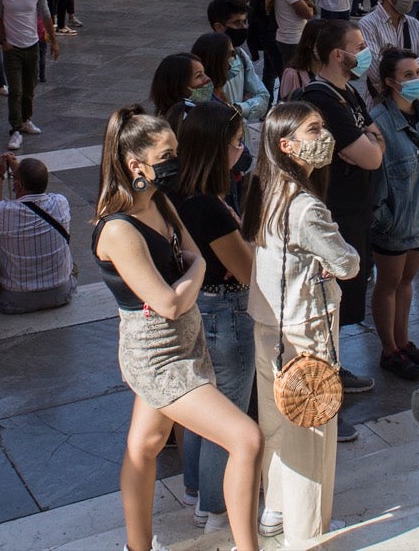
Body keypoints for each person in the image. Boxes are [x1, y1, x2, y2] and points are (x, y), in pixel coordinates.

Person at [92, 107, 263, 551]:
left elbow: (192, 268)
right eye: (167, 154)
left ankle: (138, 547)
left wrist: (191, 277)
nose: (177, 162)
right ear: (136, 165)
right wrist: (195, 273)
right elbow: (167, 301)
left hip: (188, 339)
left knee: (145, 445)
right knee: (246, 438)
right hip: (157, 354)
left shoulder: (162, 203)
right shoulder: (117, 229)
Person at [244, 101, 361, 543]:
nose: (324, 137)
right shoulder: (306, 207)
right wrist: (335, 262)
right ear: (286, 145)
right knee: (311, 430)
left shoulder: (263, 188)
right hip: (306, 326)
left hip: (269, 321)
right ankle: (308, 531)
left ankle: (274, 506)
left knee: (275, 422)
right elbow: (347, 263)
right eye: (314, 131)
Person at [168, 102, 256, 533]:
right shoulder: (210, 208)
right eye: (238, 142)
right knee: (229, 415)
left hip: (195, 309)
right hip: (226, 312)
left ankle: (195, 490)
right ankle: (218, 506)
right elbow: (248, 272)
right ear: (218, 148)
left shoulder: (175, 193)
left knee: (200, 407)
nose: (242, 150)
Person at [296, 21, 385, 421]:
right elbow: (371, 154)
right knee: (324, 304)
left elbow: (373, 139)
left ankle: (332, 370)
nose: (365, 53)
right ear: (338, 54)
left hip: (356, 210)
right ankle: (319, 391)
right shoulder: (321, 98)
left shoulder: (347, 92)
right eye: (360, 46)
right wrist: (366, 145)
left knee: (344, 300)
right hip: (333, 213)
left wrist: (368, 142)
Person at [367, 48, 419, 381]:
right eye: (408, 75)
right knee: (388, 285)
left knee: (407, 283)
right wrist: (384, 219)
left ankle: (404, 342)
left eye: (417, 73)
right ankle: (389, 349)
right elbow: (373, 179)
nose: (416, 80)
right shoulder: (379, 123)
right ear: (390, 82)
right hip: (394, 224)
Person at [0, 153, 76, 312]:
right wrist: (18, 170)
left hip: (15, 299)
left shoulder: (5, 212)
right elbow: (35, 181)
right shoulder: (61, 202)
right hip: (60, 293)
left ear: (17, 186)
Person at [0, 0, 61, 151]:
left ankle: (26, 119)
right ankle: (15, 129)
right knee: (15, 90)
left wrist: (53, 41)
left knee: (29, 88)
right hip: (12, 49)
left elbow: (46, 16)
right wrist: (3, 40)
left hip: (32, 45)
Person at [206, 0, 270, 129]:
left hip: (239, 132)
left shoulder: (240, 55)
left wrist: (240, 108)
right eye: (237, 23)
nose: (243, 28)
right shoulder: (201, 63)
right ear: (218, 27)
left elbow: (263, 97)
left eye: (244, 22)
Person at [149, 52, 211, 117]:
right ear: (179, 85)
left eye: (204, 73)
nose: (207, 78)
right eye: (198, 76)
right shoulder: (188, 117)